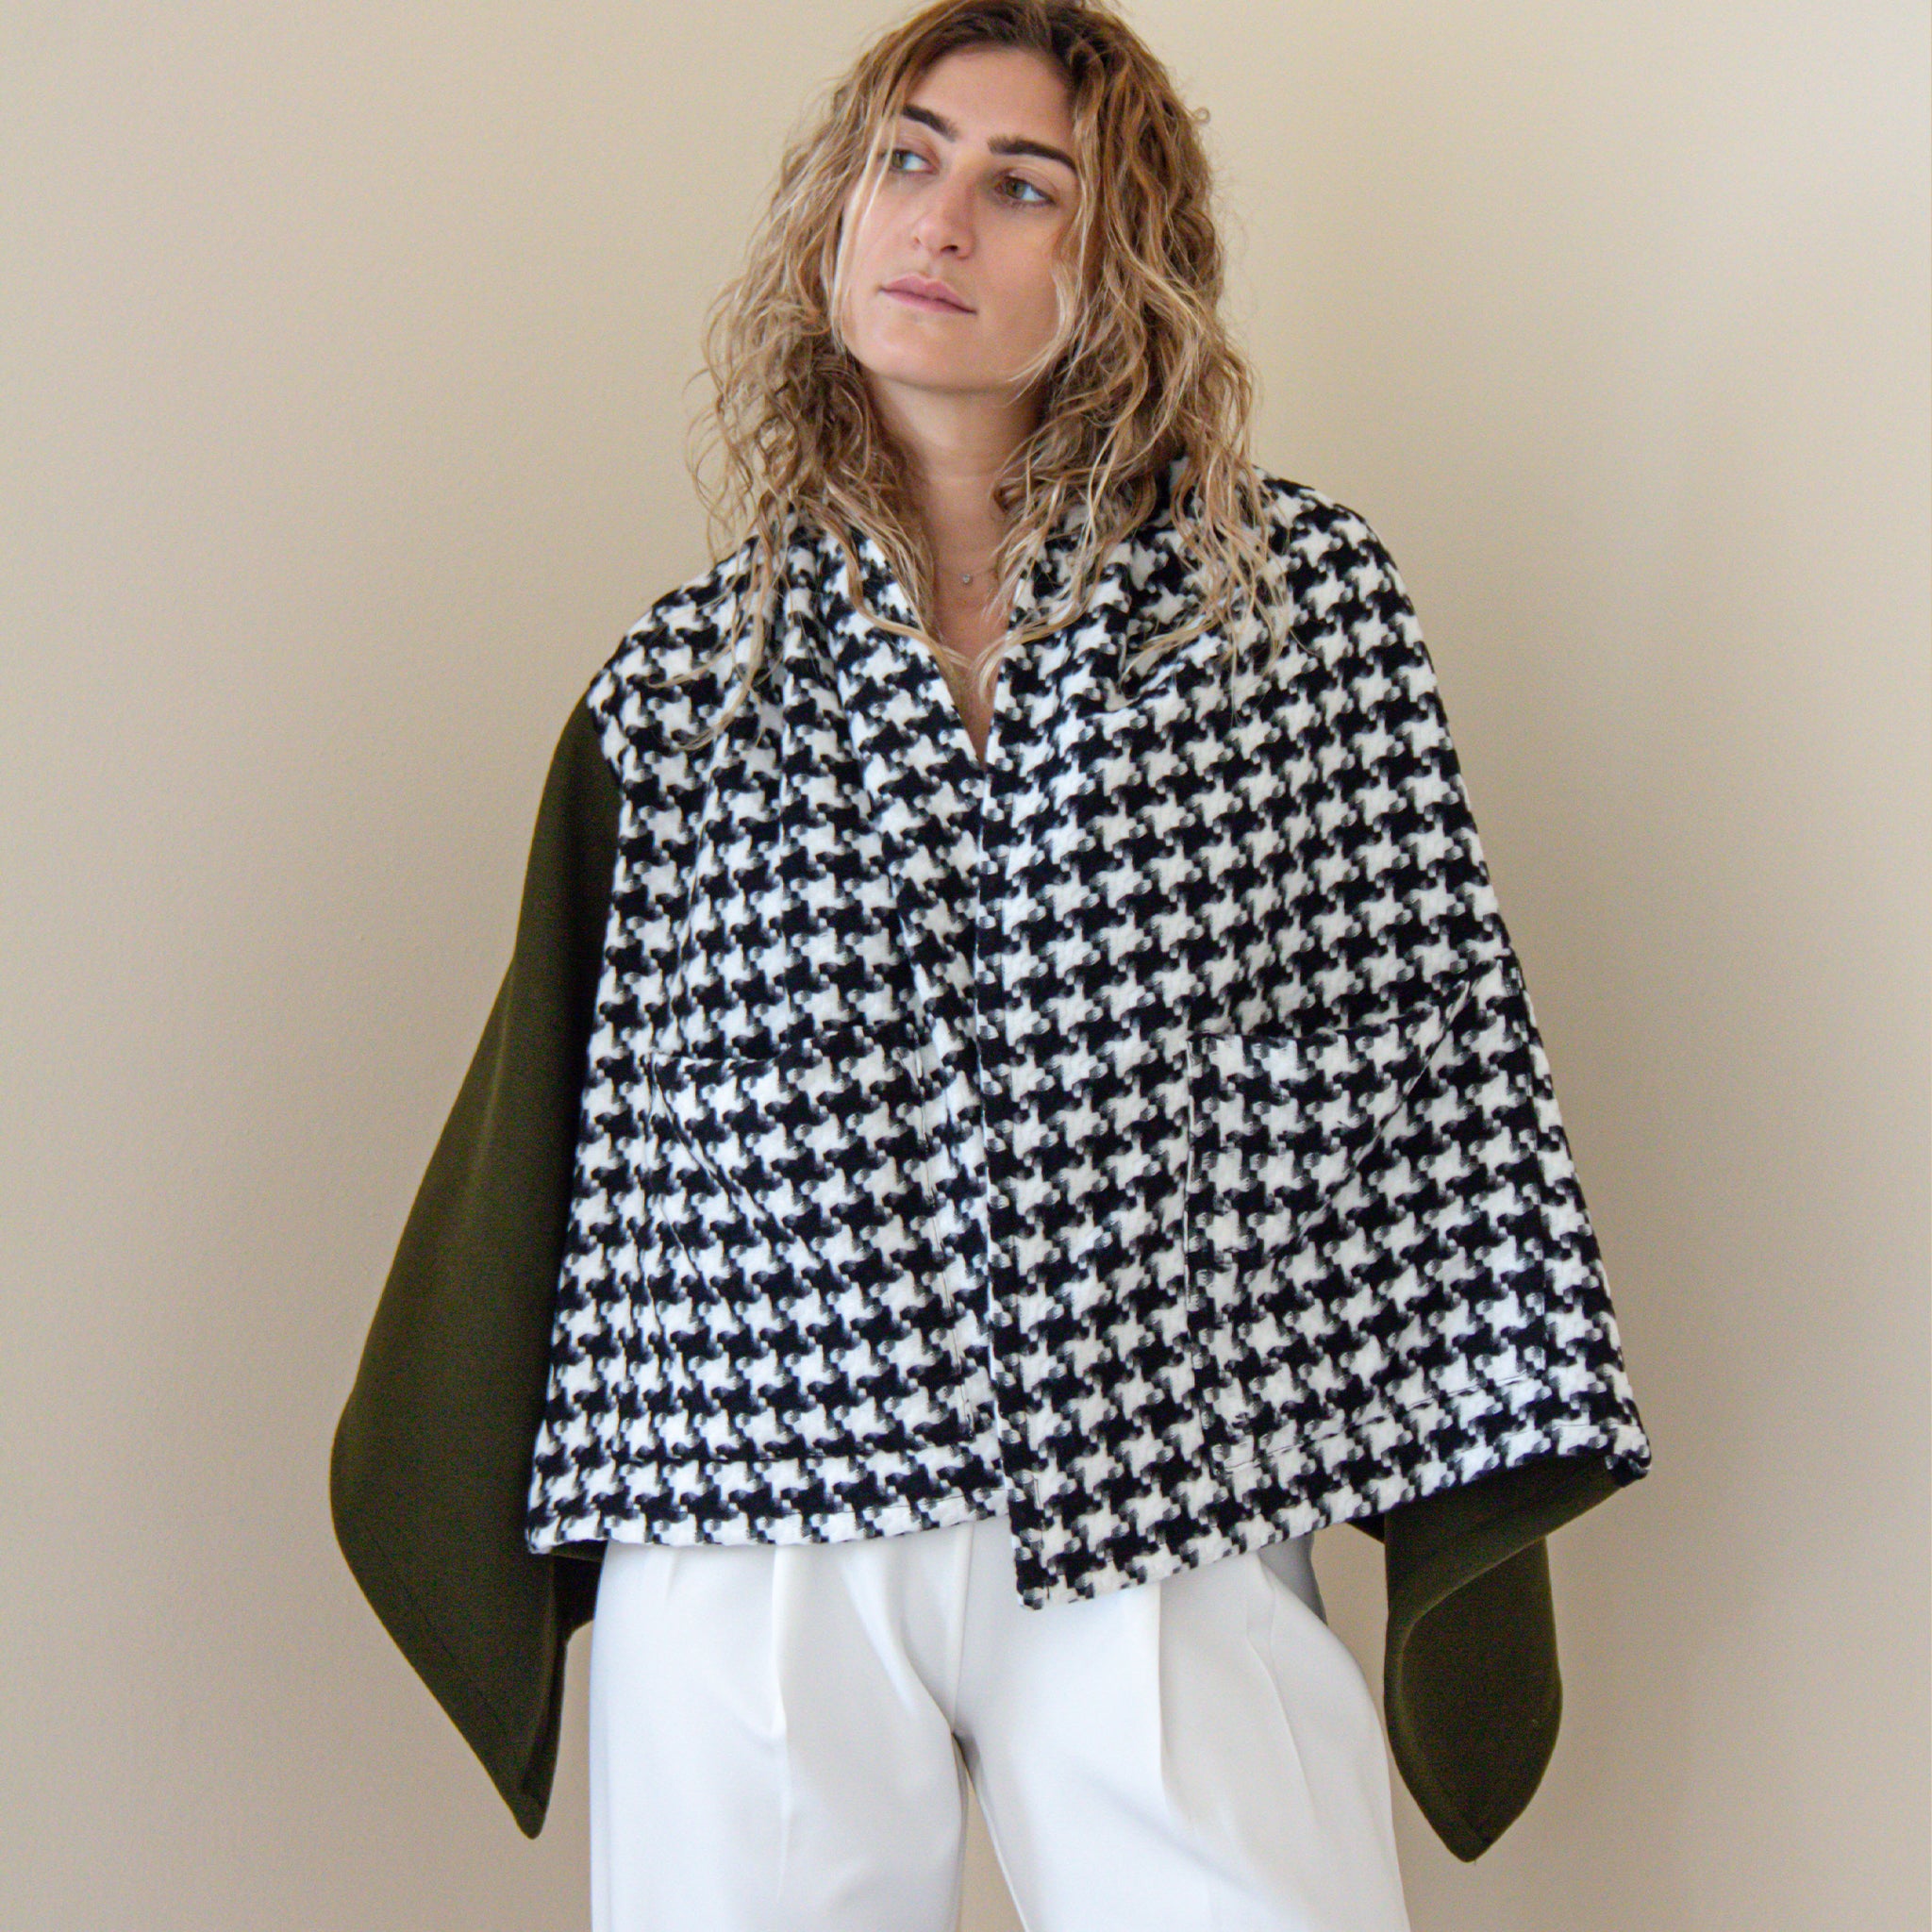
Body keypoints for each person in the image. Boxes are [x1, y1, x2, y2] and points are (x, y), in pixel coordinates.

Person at [330, 4, 1655, 1929]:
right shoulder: (680, 689)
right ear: (836, 218)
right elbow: (574, 1131)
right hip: (756, 1496)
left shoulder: (1297, 620)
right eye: (907, 159)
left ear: (1123, 269)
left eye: (1022, 184)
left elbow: (1438, 1060)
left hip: (1160, 1473)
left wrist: (1429, 1393)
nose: (939, 217)